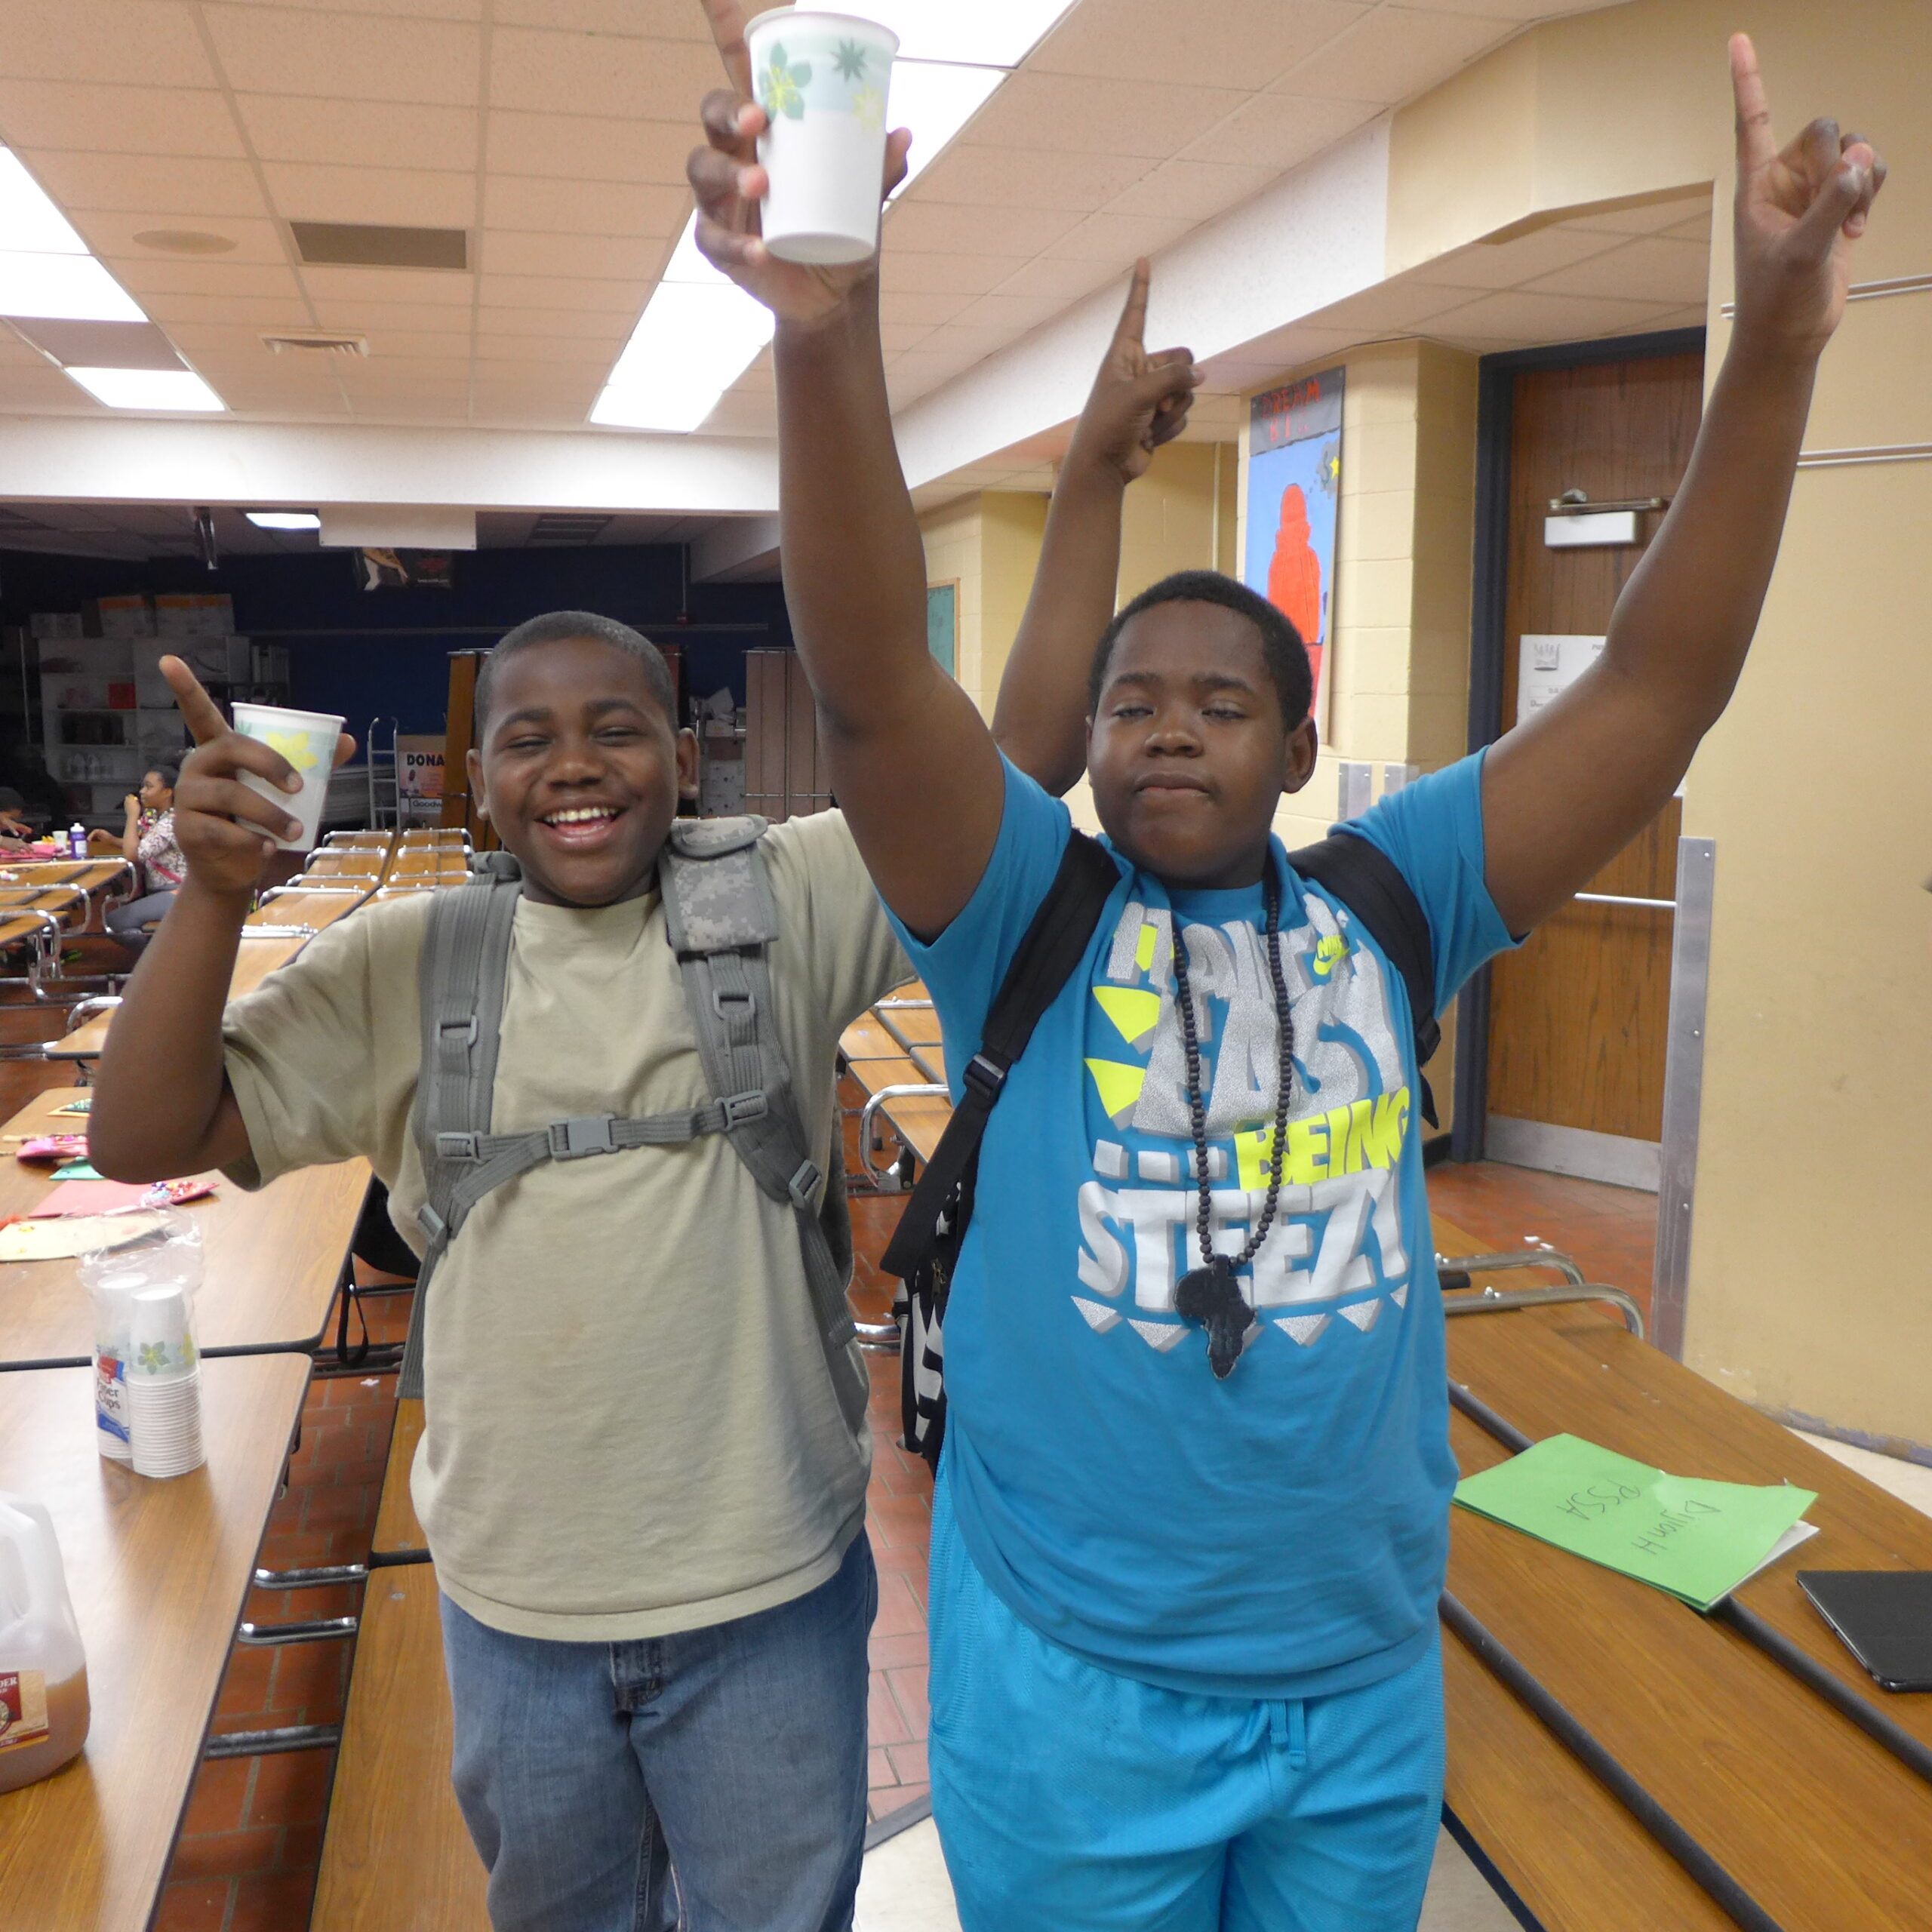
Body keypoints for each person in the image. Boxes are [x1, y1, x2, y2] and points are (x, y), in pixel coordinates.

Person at [689, 32, 1883, 1930]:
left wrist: (1778, 342)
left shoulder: (1388, 899)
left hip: (1350, 1681)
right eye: (1130, 703)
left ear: (1297, 749)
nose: (1168, 731)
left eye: (1219, 702)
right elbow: (866, 685)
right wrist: (827, 342)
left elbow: (1655, 686)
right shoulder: (1022, 910)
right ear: (1081, 744)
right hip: (1075, 1685)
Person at [83, 310, 1195, 1931]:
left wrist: (1089, 478)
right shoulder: (408, 961)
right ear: (477, 782)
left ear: (683, 757)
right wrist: (208, 896)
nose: (574, 764)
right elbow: (141, 1131)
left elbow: (1010, 768)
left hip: (769, 1590)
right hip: (515, 1603)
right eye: (526, 736)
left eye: (616, 727)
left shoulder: (785, 891)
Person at [105, 763, 185, 952]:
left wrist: (132, 816)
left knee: (114, 921)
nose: (142, 792)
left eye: (149, 787)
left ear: (167, 792)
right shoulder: (166, 818)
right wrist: (110, 840)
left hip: (176, 893)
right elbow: (146, 848)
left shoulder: (169, 823)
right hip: (171, 891)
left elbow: (133, 854)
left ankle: (157, 961)